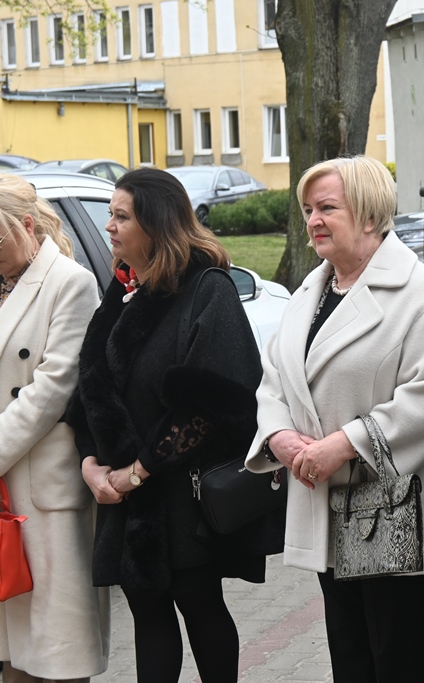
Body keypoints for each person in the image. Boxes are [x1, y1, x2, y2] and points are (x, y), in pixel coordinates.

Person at [244, 156, 424, 683]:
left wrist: (344, 444)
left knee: (394, 657)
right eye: (307, 210)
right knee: (349, 651)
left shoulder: (419, 295)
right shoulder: (312, 289)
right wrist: (280, 437)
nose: (313, 220)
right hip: (323, 498)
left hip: (389, 508)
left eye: (327, 208)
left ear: (368, 214)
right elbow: (275, 376)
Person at [65, 168, 274, 683]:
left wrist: (138, 471)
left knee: (199, 605)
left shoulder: (207, 289)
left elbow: (215, 405)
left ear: (156, 224)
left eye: (121, 216)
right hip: (126, 497)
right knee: (147, 614)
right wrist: (92, 464)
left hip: (181, 494)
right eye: (110, 214)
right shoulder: (123, 289)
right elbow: (91, 386)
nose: (108, 226)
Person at [0, 175, 108, 682]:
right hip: (7, 481)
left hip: (43, 487)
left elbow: (52, 388)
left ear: (25, 225)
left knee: (57, 648)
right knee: (12, 651)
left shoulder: (70, 282)